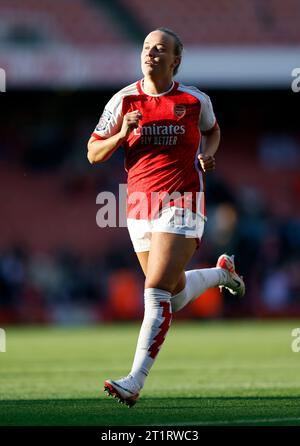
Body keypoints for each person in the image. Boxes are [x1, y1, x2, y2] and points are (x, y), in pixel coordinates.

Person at [87, 28, 245, 407]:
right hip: (138, 206)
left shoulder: (194, 100)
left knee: (155, 289)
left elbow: (213, 130)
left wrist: (209, 154)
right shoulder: (123, 100)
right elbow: (93, 153)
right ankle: (224, 273)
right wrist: (121, 133)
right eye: (146, 48)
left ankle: (134, 380)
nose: (151, 54)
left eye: (160, 49)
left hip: (184, 201)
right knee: (170, 298)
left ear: (175, 60)